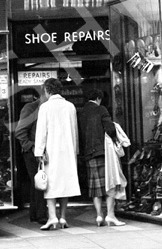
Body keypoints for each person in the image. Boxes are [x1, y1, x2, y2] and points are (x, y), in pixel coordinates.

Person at [34, 78, 79, 230]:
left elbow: (41, 132)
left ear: (47, 90)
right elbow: (75, 131)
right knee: (65, 183)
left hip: (51, 151)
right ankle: (63, 217)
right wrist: (75, 150)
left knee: (50, 184)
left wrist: (39, 151)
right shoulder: (70, 106)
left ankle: (52, 217)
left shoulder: (45, 107)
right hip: (68, 150)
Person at [77, 89, 124, 226]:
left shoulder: (82, 112)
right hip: (103, 153)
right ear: (99, 98)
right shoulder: (101, 109)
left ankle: (98, 215)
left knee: (95, 187)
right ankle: (110, 215)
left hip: (89, 153)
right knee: (110, 184)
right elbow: (109, 128)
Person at [14, 89, 48, 224]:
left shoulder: (43, 108)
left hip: (36, 150)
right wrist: (32, 146)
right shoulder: (31, 108)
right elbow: (20, 131)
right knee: (40, 182)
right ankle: (40, 215)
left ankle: (36, 214)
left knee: (37, 183)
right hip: (31, 152)